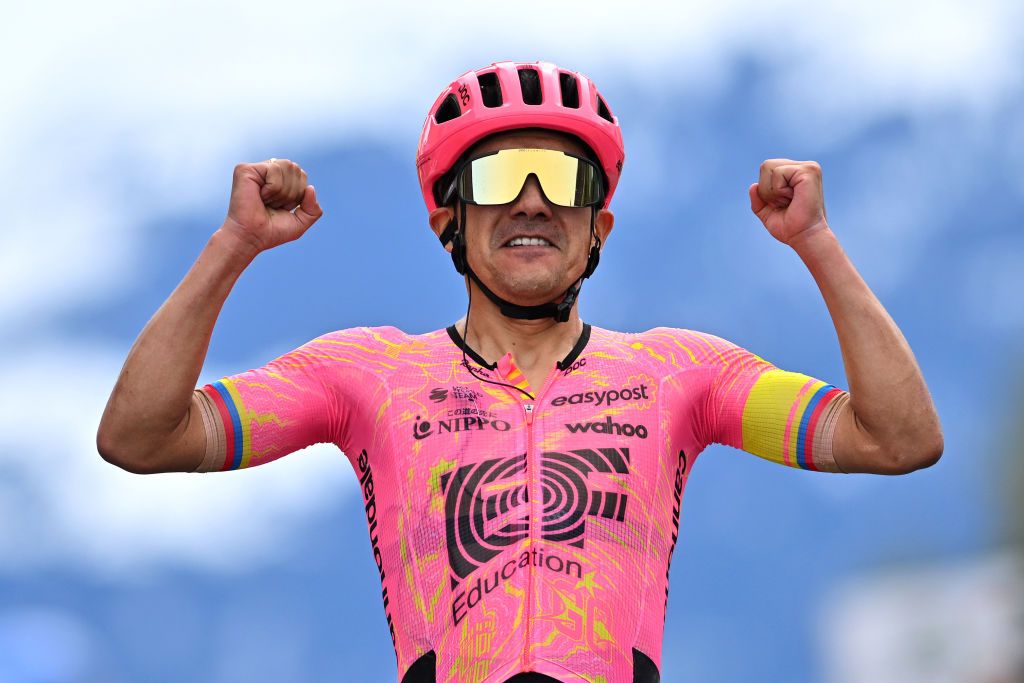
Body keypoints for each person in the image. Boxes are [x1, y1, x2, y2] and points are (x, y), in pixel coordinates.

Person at [96, 60, 943, 683]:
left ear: (598, 226)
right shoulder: (366, 376)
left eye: (565, 178)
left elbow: (898, 438)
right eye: (501, 175)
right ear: (448, 219)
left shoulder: (682, 375)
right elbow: (140, 435)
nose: (533, 199)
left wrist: (817, 245)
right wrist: (234, 244)